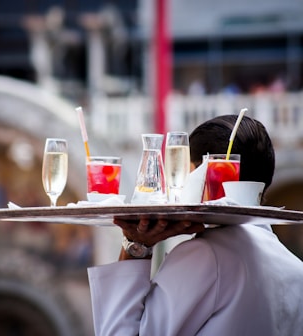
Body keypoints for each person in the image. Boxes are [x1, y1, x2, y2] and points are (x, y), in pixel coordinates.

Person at [87, 114, 303, 336]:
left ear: (207, 176)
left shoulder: (205, 256)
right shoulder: (296, 269)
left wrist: (135, 247)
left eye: (187, 174)